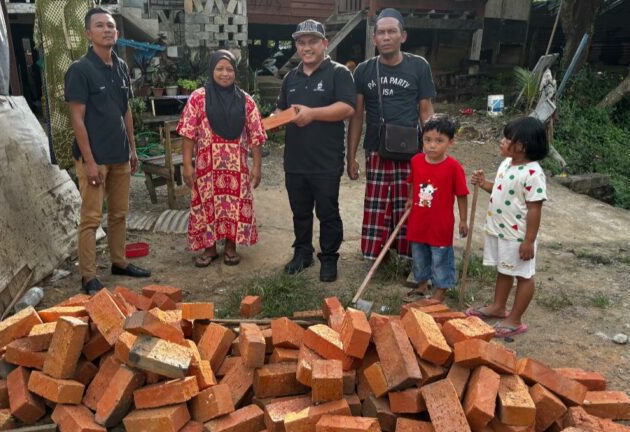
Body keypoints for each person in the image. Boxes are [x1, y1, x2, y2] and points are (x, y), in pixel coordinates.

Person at [65, 7, 150, 295]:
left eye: (111, 26)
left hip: (120, 155)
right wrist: (89, 162)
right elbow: (77, 118)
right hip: (95, 159)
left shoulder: (122, 67)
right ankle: (88, 277)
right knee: (91, 218)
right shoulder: (80, 70)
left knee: (119, 214)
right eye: (100, 26)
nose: (107, 30)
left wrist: (133, 148)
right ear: (89, 33)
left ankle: (119, 262)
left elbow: (125, 110)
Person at [347, 8, 436, 262]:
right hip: (376, 148)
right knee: (377, 204)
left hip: (412, 149)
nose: (386, 37)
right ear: (374, 39)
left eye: (392, 31)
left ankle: (407, 254)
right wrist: (350, 157)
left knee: (407, 202)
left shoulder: (419, 66)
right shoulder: (364, 70)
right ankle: (374, 254)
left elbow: (426, 111)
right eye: (381, 32)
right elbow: (357, 116)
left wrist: (433, 150)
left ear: (403, 36)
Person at [275, 19, 356, 282]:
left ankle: (329, 258)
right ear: (297, 46)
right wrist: (268, 121)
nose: (306, 47)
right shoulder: (291, 77)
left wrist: (312, 114)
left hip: (326, 159)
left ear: (324, 43)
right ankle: (302, 253)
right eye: (301, 42)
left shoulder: (339, 73)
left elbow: (347, 108)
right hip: (295, 159)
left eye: (312, 42)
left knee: (327, 210)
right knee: (300, 210)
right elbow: (282, 110)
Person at [177, 50, 266, 267]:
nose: (224, 74)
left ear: (236, 72)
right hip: (207, 168)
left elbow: (256, 136)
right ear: (211, 70)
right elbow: (188, 133)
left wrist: (257, 165)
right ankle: (209, 249)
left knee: (233, 207)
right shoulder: (198, 98)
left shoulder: (246, 101)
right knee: (207, 204)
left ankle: (230, 247)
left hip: (236, 168)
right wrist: (187, 165)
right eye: (219, 69)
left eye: (229, 69)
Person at [469, 116, 549, 338]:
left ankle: (515, 319)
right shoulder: (507, 163)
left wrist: (529, 241)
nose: (501, 141)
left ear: (522, 146)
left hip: (518, 237)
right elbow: (502, 190)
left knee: (523, 275)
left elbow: (534, 209)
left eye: (507, 138)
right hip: (499, 230)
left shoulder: (533, 173)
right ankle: (498, 307)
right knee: (504, 269)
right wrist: (484, 184)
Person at [404, 114, 469, 303]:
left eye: (439, 141)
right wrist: (410, 199)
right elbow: (413, 182)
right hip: (419, 220)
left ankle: (440, 291)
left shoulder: (453, 167)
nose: (432, 145)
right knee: (419, 255)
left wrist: (463, 220)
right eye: (427, 140)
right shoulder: (416, 161)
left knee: (441, 258)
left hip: (440, 224)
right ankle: (422, 284)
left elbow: (462, 195)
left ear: (451, 142)